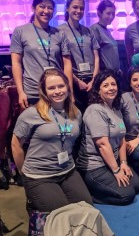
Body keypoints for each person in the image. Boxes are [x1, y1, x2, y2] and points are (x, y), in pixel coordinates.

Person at [11, 68, 92, 212]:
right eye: (51, 88)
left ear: (67, 86)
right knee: (62, 214)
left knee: (86, 207)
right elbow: (16, 145)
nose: (57, 91)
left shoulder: (76, 113)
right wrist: (24, 174)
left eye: (61, 86)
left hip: (68, 171)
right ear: (44, 91)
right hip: (39, 175)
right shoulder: (31, 114)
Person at [77, 70, 139, 205]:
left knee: (136, 185)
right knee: (127, 195)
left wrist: (123, 163)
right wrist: (116, 170)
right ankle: (89, 195)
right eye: (105, 85)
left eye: (113, 84)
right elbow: (102, 144)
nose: (111, 88)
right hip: (95, 166)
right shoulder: (95, 110)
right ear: (98, 90)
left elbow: (122, 139)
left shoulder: (116, 109)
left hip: (113, 160)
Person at [10, 0, 72, 108]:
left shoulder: (59, 33)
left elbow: (67, 64)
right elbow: (16, 63)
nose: (46, 11)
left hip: (56, 91)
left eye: (50, 8)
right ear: (33, 8)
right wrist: (20, 92)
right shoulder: (20, 31)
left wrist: (69, 91)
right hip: (33, 92)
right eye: (42, 6)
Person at [58, 0, 100, 112]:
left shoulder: (88, 31)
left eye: (81, 8)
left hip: (92, 81)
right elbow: (63, 61)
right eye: (75, 7)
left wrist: (94, 79)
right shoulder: (59, 31)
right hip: (74, 81)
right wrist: (77, 81)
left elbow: (96, 57)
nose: (79, 11)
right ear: (67, 8)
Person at [90, 0, 120, 72]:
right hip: (105, 74)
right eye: (108, 13)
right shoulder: (95, 29)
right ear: (99, 13)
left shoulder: (107, 30)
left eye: (113, 14)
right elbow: (94, 56)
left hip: (114, 74)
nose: (111, 16)